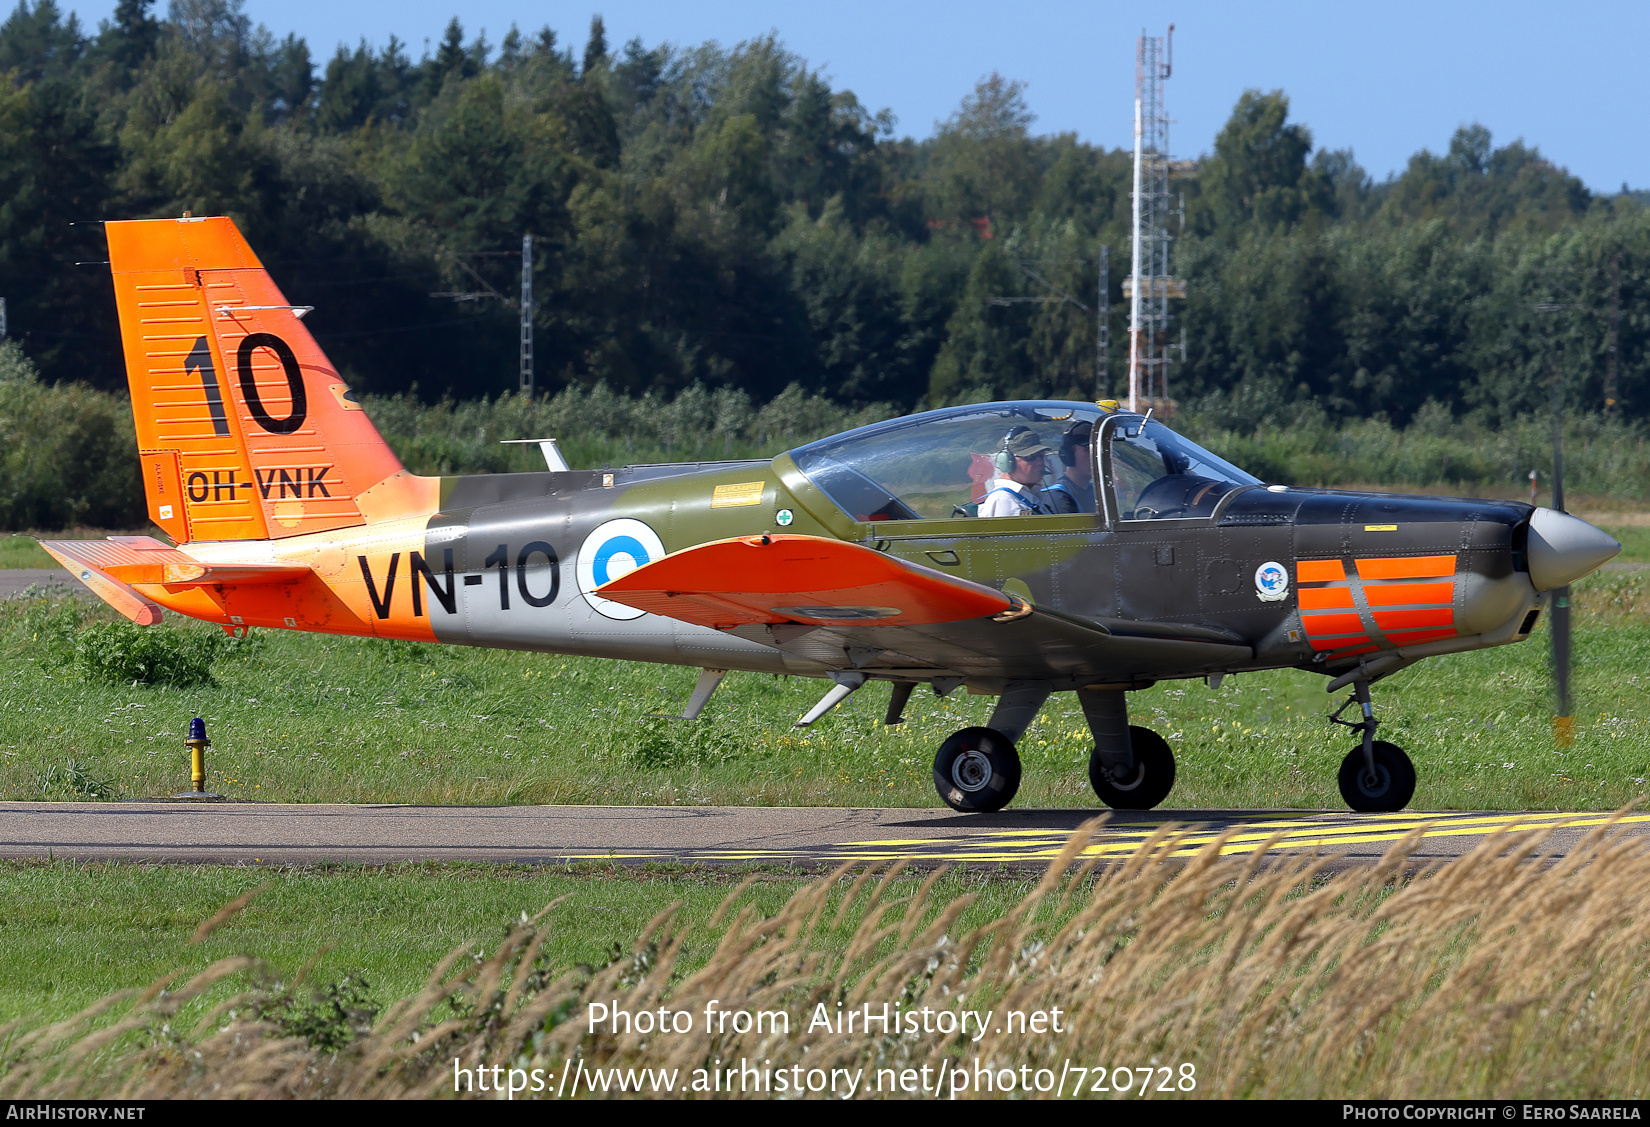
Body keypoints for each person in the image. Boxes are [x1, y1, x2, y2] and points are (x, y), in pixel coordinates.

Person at [978, 427, 1054, 517]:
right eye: (1030, 457)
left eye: (1041, 456)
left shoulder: (1032, 493)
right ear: (1007, 462)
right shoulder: (1003, 500)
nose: (1040, 462)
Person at [1044, 419, 1096, 514]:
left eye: (1097, 451)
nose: (1095, 457)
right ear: (1068, 455)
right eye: (1087, 451)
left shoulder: (1094, 492)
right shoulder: (1059, 497)